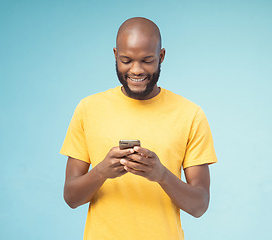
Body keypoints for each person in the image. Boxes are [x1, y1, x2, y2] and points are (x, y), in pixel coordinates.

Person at [60, 17, 217, 240]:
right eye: (126, 60)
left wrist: (161, 174)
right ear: (115, 55)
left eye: (147, 60)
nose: (136, 70)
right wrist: (102, 171)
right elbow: (71, 198)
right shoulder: (88, 108)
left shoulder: (190, 114)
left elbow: (199, 205)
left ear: (161, 56)